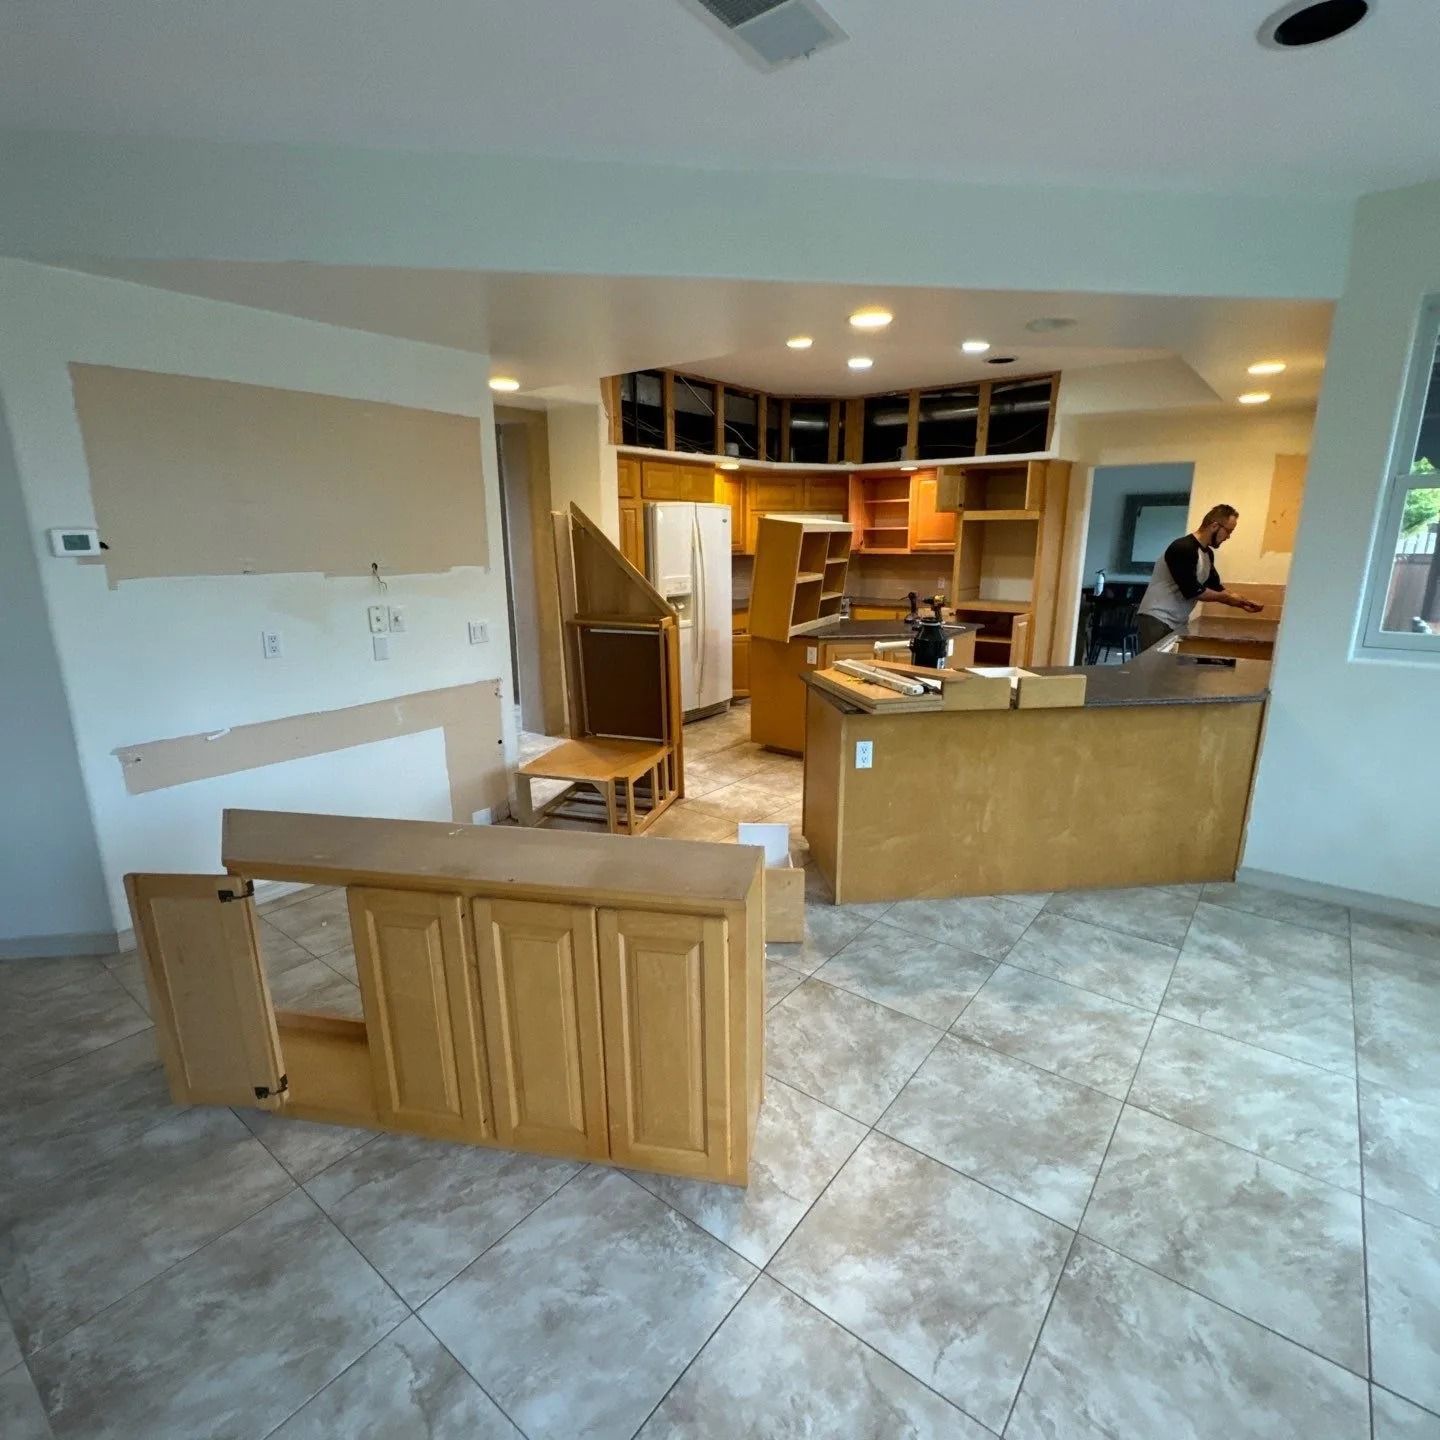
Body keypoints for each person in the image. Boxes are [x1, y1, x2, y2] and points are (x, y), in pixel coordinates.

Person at [1136, 503, 1264, 652]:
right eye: (1228, 531)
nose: (1228, 537)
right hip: (1157, 618)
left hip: (1176, 621)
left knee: (1166, 670)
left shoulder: (1206, 554)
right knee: (1152, 671)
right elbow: (1193, 591)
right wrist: (1227, 599)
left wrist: (1243, 602)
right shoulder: (1183, 548)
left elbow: (1216, 587)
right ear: (1215, 526)